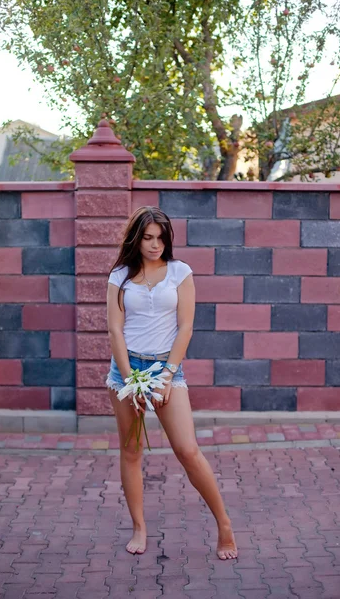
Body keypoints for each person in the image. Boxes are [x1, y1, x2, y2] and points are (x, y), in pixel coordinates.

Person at [106, 206, 237, 560]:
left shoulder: (180, 272)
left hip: (166, 368)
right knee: (131, 451)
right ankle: (139, 526)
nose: (155, 245)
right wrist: (130, 383)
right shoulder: (120, 275)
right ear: (136, 239)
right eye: (148, 238)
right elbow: (115, 330)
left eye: (161, 238)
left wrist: (165, 378)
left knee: (187, 450)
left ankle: (224, 524)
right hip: (126, 370)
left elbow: (186, 327)